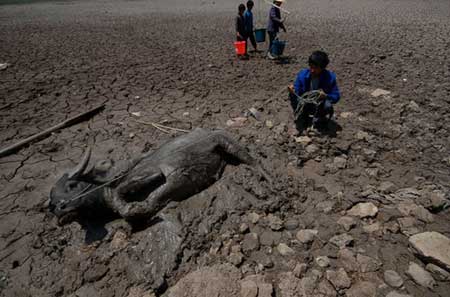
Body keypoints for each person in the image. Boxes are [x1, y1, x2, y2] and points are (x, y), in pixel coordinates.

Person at [288, 50, 340, 130]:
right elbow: (297, 90)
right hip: (305, 103)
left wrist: (326, 96)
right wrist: (293, 90)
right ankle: (301, 116)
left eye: (315, 68)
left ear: (323, 68)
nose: (312, 70)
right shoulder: (303, 75)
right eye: (311, 67)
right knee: (292, 95)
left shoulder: (330, 78)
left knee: (328, 105)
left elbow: (336, 96)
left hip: (319, 104)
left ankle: (319, 118)